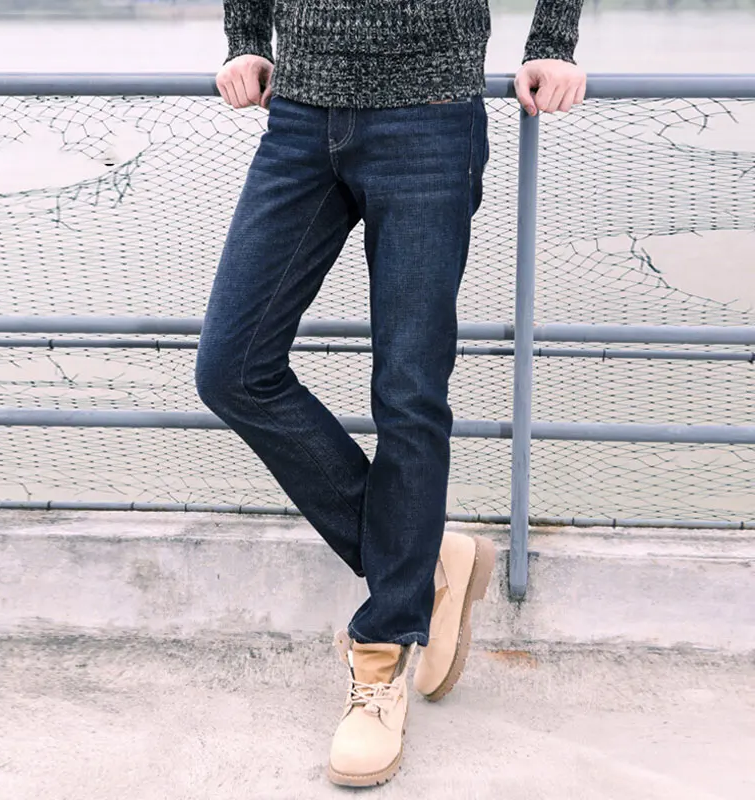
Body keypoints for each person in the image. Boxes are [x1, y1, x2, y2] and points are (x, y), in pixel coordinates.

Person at [196, 0, 586, 787]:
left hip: (429, 117)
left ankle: (380, 659)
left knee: (409, 391)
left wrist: (553, 42)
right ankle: (421, 559)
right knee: (231, 369)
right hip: (299, 116)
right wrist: (245, 40)